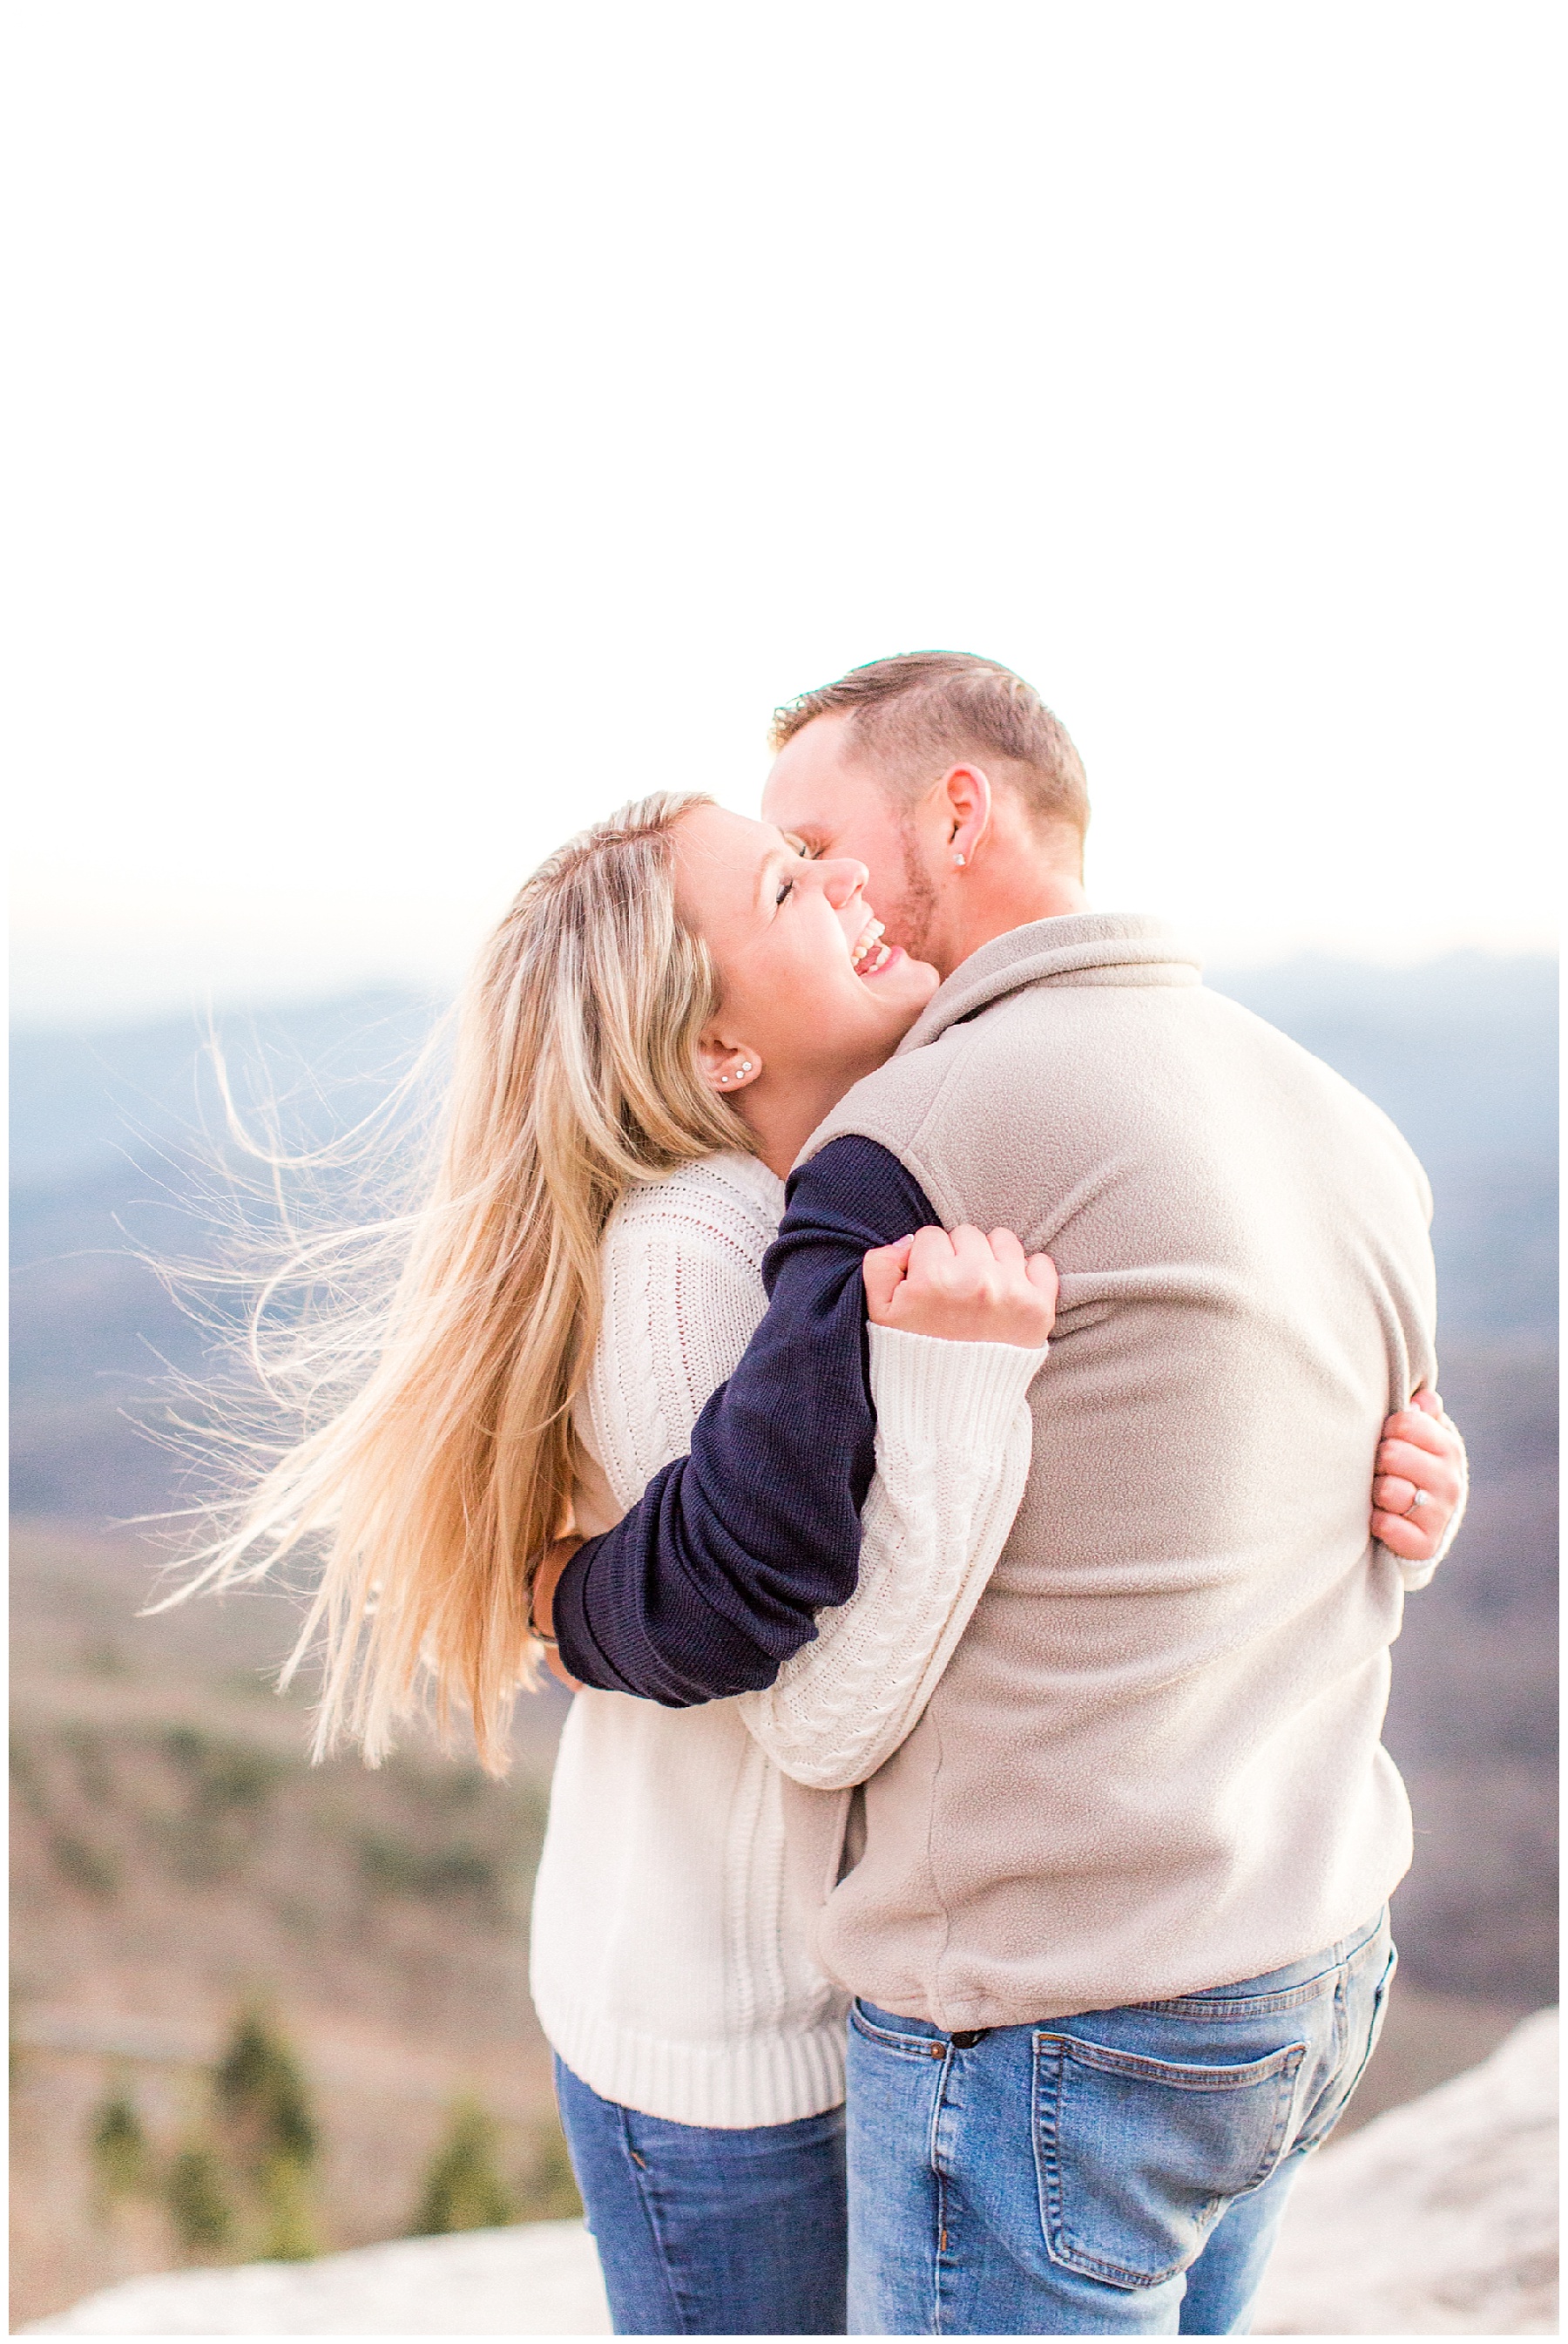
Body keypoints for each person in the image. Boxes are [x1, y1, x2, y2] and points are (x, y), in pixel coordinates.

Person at [536, 651, 1468, 2336]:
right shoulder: (1335, 1117)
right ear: (717, 1030)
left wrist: (568, 1602)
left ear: (955, 813)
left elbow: (718, 1594)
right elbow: (754, 1596)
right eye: (784, 872)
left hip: (1061, 2021)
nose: (824, 882)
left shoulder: (922, 1132)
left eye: (816, 840)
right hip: (1297, 1953)